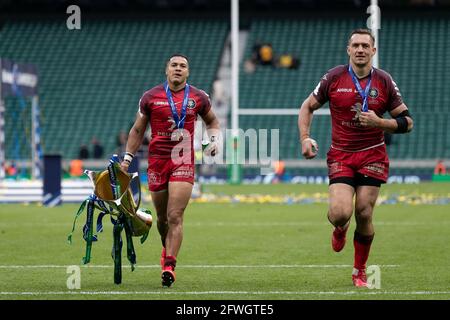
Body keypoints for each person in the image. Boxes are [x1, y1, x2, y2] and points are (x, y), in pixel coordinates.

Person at [298, 29, 413, 287]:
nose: (360, 49)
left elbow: (408, 122)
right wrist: (305, 137)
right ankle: (340, 228)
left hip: (373, 154)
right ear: (348, 50)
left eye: (365, 45)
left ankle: (359, 270)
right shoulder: (333, 77)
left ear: (373, 51)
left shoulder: (384, 81)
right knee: (340, 213)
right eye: (355, 45)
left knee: (363, 212)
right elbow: (307, 106)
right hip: (341, 153)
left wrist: (380, 122)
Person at [120, 53, 220, 287]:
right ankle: (167, 249)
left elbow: (212, 122)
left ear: (188, 72)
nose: (178, 69)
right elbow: (137, 130)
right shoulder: (150, 97)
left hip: (183, 160)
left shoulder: (199, 97)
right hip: (157, 161)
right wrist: (127, 158)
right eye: (174, 65)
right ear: (167, 70)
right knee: (163, 219)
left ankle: (169, 265)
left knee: (175, 215)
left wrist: (213, 140)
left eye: (183, 66)